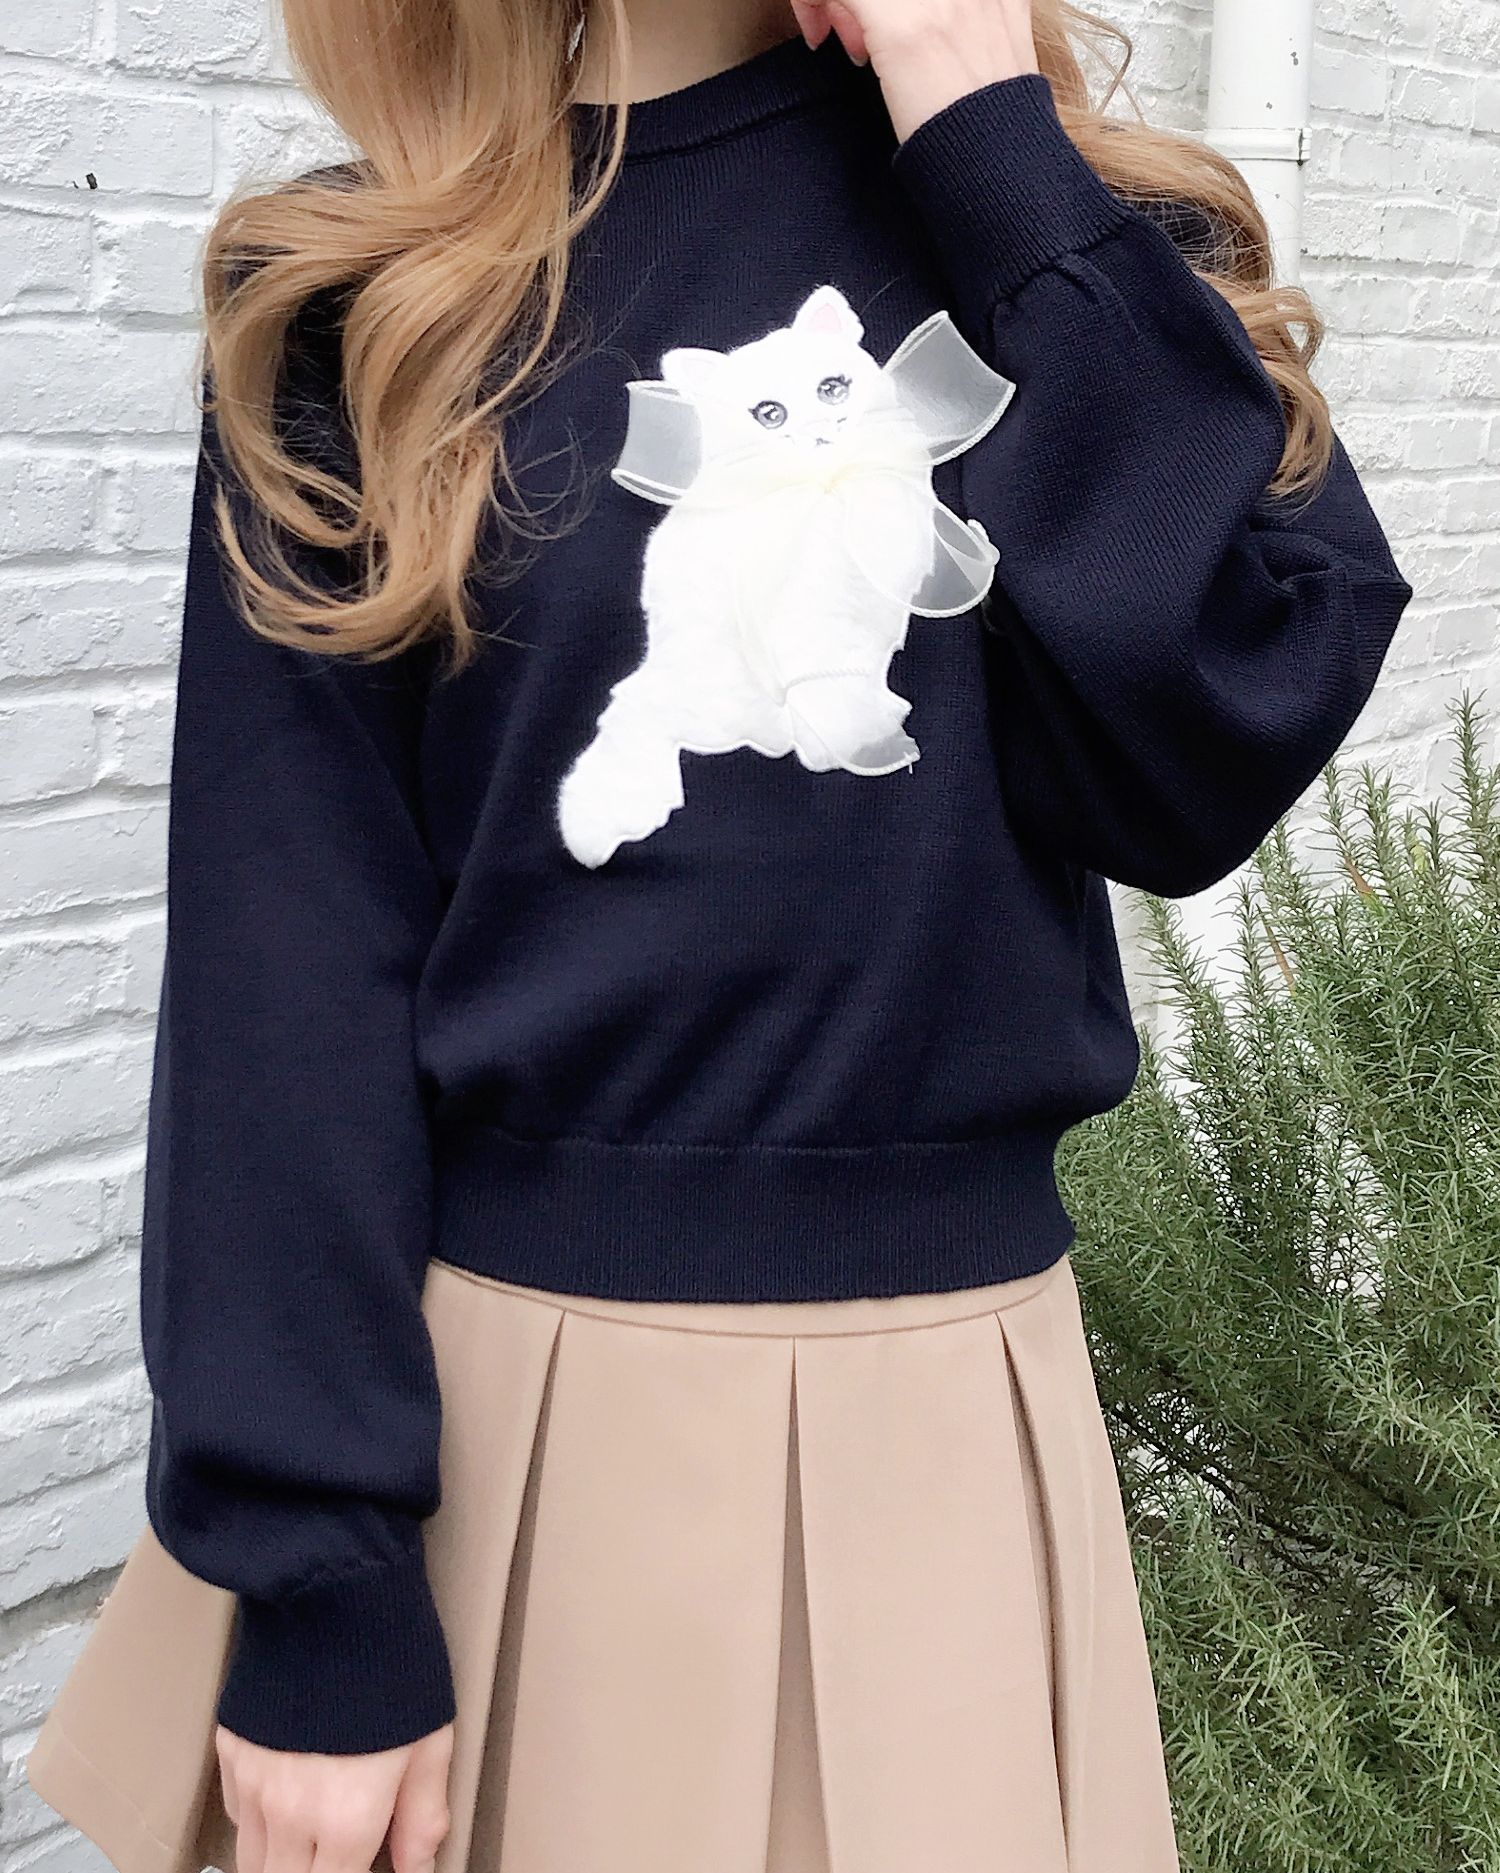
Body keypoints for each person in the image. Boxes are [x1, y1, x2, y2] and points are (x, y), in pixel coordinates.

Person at [29, 0, 1414, 1869]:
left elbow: (1218, 737)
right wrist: (316, 1576)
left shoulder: (1074, 232)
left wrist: (977, 120)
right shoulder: (370, 296)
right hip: (509, 1437)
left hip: (953, 1422)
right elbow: (286, 966)